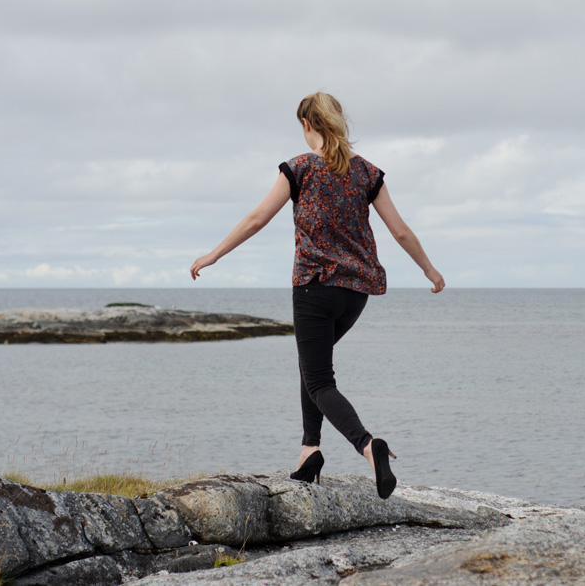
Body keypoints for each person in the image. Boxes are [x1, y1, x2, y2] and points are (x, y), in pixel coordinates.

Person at [190, 92, 445, 500]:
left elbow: (257, 218)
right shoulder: (367, 172)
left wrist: (213, 254)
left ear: (308, 124)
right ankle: (309, 453)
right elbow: (400, 230)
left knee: (320, 379)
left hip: (313, 287)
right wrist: (430, 270)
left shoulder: (300, 168)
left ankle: (368, 445)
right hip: (355, 293)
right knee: (312, 370)